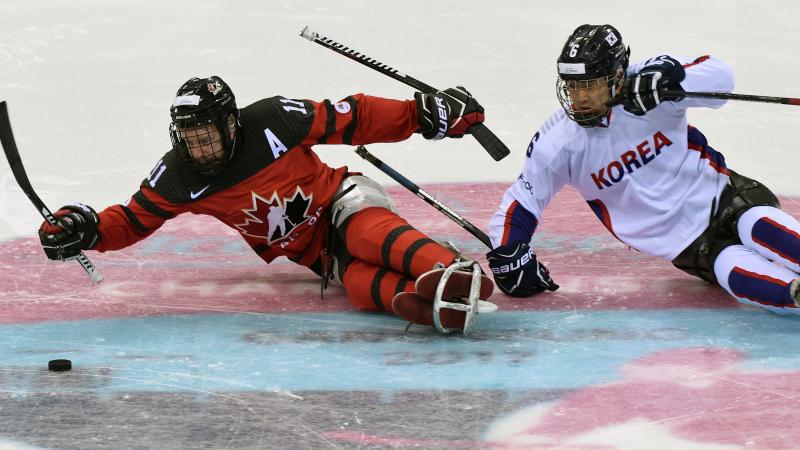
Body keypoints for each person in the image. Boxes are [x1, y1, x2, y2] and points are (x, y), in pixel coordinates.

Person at [37, 76, 494, 331]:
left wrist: (421, 115)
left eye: (208, 137)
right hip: (317, 255)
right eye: (191, 141)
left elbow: (354, 116)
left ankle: (452, 269)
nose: (201, 151)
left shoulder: (275, 120)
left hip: (343, 201)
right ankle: (434, 304)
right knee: (354, 283)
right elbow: (133, 220)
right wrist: (89, 229)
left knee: (365, 234)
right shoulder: (179, 175)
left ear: (232, 124)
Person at [486, 24, 800, 313]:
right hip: (696, 249)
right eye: (572, 86)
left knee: (762, 226)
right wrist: (508, 253)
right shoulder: (559, 142)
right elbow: (522, 202)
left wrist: (671, 79)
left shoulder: (650, 81)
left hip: (730, 200)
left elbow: (721, 76)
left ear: (617, 75)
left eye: (590, 86)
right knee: (737, 275)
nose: (578, 98)